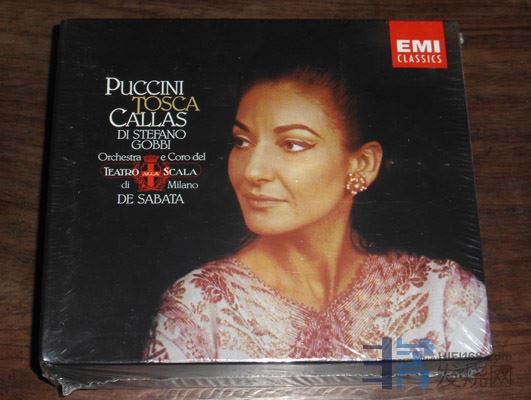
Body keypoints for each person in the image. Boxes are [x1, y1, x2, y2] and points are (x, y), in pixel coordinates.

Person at [144, 40, 491, 362]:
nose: (253, 170)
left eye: (292, 144)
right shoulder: (198, 308)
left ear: (362, 164)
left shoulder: (446, 296)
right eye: (242, 142)